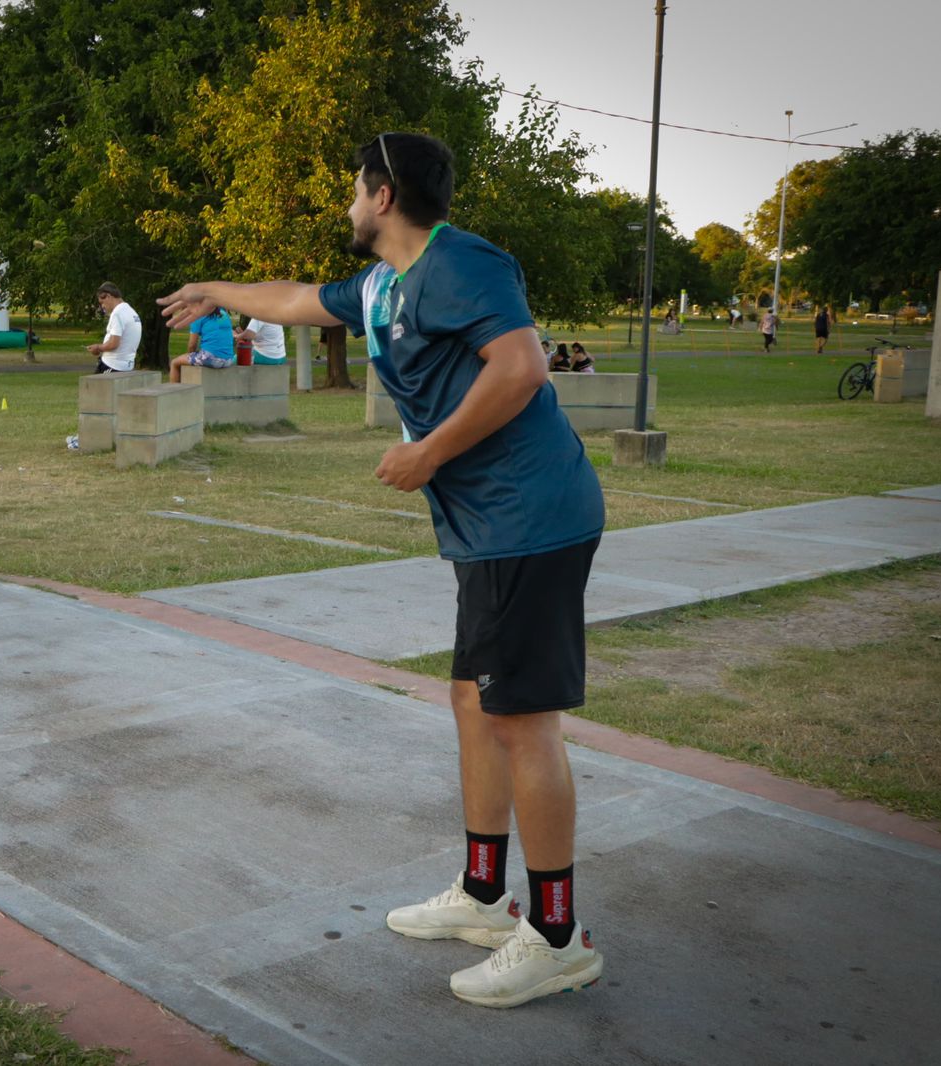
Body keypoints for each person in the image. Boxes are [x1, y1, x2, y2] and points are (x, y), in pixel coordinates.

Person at [159, 131, 606, 1009]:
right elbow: (294, 299)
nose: (347, 204)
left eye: (354, 190)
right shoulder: (382, 285)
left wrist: (429, 452)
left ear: (385, 195)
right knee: (475, 700)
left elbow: (520, 368)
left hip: (530, 517)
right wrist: (216, 288)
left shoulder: (465, 263)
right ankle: (484, 895)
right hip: (488, 529)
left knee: (523, 720)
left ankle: (557, 935)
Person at [169, 304, 236, 382]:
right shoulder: (223, 312)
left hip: (211, 358)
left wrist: (190, 356)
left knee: (174, 363)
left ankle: (174, 392)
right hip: (228, 359)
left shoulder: (197, 316)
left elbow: (192, 345)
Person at [86, 282, 143, 373]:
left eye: (102, 302)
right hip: (127, 365)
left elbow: (113, 343)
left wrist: (98, 347)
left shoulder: (117, 313)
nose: (102, 307)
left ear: (108, 296)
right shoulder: (132, 312)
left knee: (93, 386)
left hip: (112, 365)